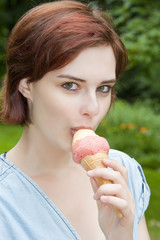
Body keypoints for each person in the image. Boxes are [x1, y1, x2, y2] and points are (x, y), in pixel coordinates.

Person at [0, 1, 150, 239]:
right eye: (70, 85)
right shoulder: (5, 203)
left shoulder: (122, 173)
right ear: (26, 85)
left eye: (103, 88)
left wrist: (120, 235)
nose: (92, 108)